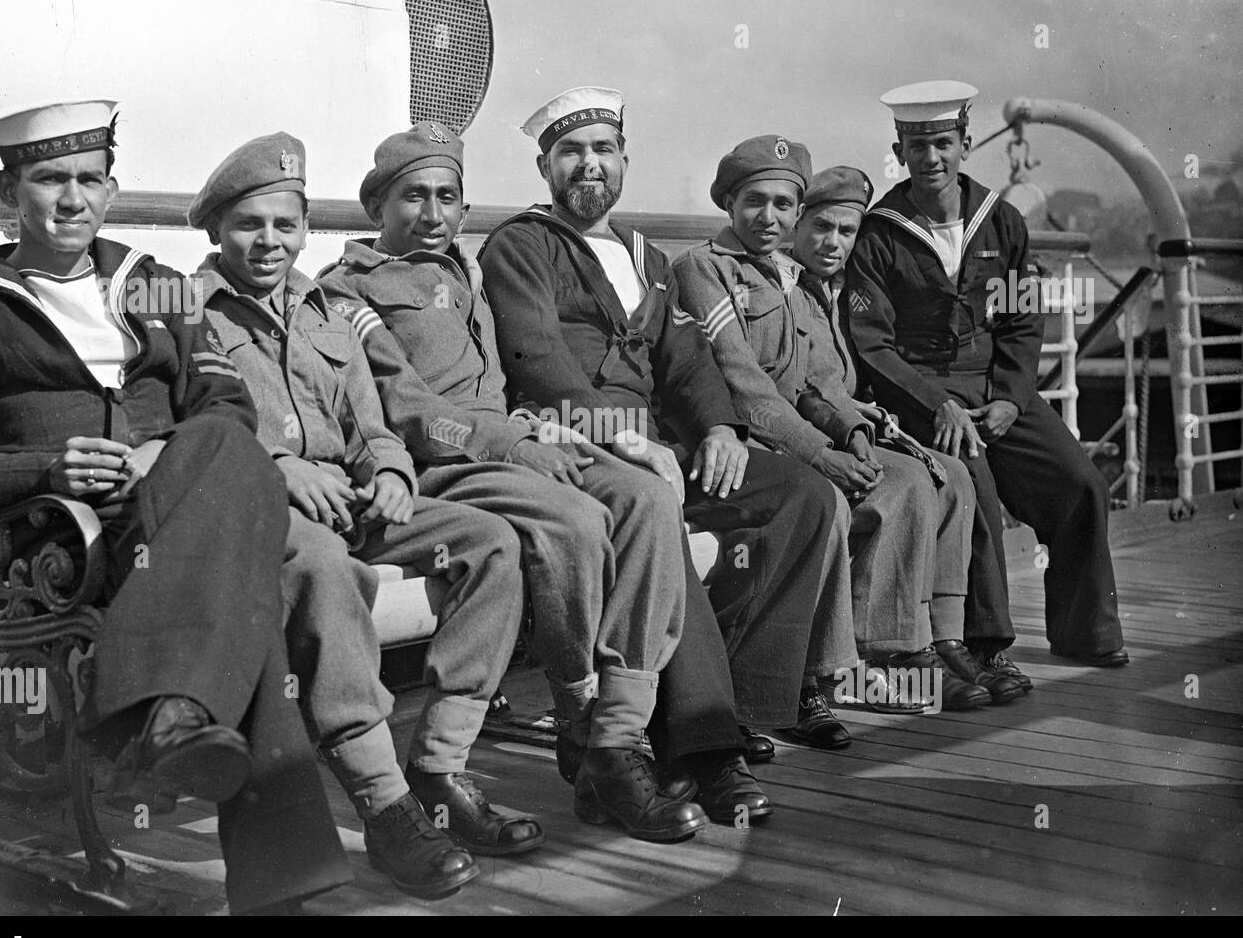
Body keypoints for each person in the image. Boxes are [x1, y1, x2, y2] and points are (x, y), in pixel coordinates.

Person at [0, 99, 350, 914]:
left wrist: (162, 454)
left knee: (228, 446)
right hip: (51, 541)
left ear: (112, 187)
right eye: (49, 179)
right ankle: (275, 875)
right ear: (4, 188)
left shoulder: (155, 287)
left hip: (172, 506)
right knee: (247, 591)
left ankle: (172, 712)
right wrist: (44, 465)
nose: (72, 199)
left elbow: (226, 407)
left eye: (89, 179)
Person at [315, 121, 707, 841]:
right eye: (412, 197)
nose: (431, 214)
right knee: (575, 521)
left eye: (447, 197)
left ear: (465, 210)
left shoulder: (466, 271)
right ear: (377, 208)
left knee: (647, 497)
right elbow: (409, 412)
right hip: (441, 467)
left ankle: (617, 740)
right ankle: (584, 722)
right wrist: (515, 446)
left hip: (514, 441)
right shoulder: (348, 293)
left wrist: (603, 434)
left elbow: (502, 384)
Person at [187, 132, 540, 890]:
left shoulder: (328, 310)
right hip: (266, 506)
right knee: (324, 571)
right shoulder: (192, 314)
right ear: (217, 230)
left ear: (306, 228)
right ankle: (386, 810)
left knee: (489, 542)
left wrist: (388, 468)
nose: (270, 242)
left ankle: (440, 770)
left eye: (286, 225)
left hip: (357, 498)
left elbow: (374, 421)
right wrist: (279, 467)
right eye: (250, 225)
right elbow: (198, 427)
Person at [478, 86, 855, 787]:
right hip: (575, 440)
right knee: (657, 510)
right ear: (544, 167)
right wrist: (625, 436)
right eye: (570, 153)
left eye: (602, 150)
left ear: (625, 160)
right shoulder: (521, 245)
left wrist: (717, 426)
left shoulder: (647, 258)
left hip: (659, 443)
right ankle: (703, 741)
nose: (588, 166)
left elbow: (685, 360)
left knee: (804, 495)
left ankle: (744, 698)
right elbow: (537, 359)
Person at [674, 152, 1021, 710]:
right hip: (750, 442)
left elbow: (814, 385)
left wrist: (854, 429)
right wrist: (822, 452)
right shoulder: (705, 267)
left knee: (948, 474)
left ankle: (936, 638)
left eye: (782, 205)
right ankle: (873, 657)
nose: (769, 217)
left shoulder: (789, 277)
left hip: (798, 433)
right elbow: (747, 386)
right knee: (897, 486)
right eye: (755, 201)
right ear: (727, 202)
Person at [847, 82, 1125, 669]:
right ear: (899, 148)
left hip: (995, 388)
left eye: (942, 143)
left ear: (966, 143)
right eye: (917, 145)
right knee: (974, 489)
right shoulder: (880, 233)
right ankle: (985, 648)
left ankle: (1085, 634)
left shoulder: (1000, 222)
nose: (931, 158)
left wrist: (1011, 399)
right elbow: (872, 343)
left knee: (1081, 485)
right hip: (920, 392)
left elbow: (1024, 322)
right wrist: (935, 404)